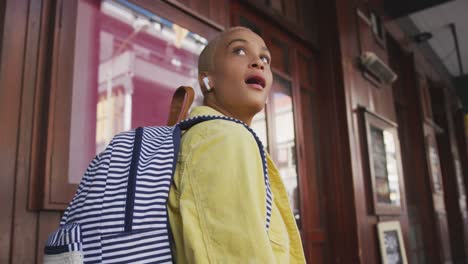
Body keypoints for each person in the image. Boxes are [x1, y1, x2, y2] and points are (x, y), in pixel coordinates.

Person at [168, 26, 306, 263]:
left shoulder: (215, 135)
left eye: (265, 58)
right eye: (239, 51)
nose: (258, 63)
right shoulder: (223, 137)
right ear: (207, 80)